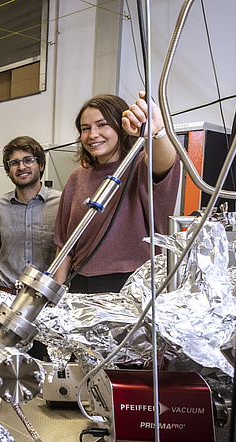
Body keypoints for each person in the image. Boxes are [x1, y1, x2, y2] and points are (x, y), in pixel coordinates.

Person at [53, 92, 181, 294]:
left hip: (133, 283)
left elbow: (165, 162)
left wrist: (157, 134)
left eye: (102, 125)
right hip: (80, 281)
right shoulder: (77, 177)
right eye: (85, 128)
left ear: (121, 127)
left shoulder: (140, 165)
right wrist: (55, 293)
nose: (92, 134)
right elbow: (65, 245)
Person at [0, 136, 61, 293]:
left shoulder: (60, 203)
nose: (21, 167)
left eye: (28, 160)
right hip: (5, 292)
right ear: (8, 170)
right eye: (14, 163)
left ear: (41, 165)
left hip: (44, 295)